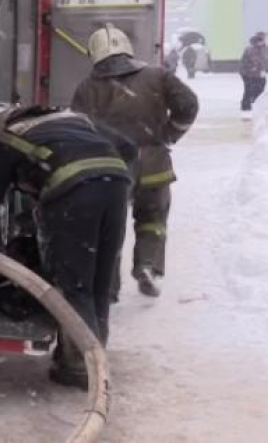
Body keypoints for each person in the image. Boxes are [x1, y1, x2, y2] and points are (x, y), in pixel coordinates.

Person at [0, 105, 136, 389]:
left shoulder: (10, 137)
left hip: (74, 194)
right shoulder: (77, 117)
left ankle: (80, 367)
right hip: (117, 185)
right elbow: (129, 147)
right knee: (100, 279)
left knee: (74, 284)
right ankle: (95, 357)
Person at [72, 24, 199, 298]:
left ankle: (109, 287)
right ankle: (148, 266)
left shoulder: (87, 88)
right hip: (155, 166)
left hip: (112, 169)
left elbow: (79, 129)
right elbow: (189, 105)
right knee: (152, 219)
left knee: (109, 226)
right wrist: (170, 133)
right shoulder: (158, 76)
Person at [239, 33, 266, 118]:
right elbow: (246, 62)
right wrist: (251, 68)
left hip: (261, 74)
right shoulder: (250, 49)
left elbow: (265, 61)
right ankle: (246, 109)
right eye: (261, 40)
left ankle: (256, 104)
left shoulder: (265, 49)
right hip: (248, 74)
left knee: (260, 91)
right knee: (248, 91)